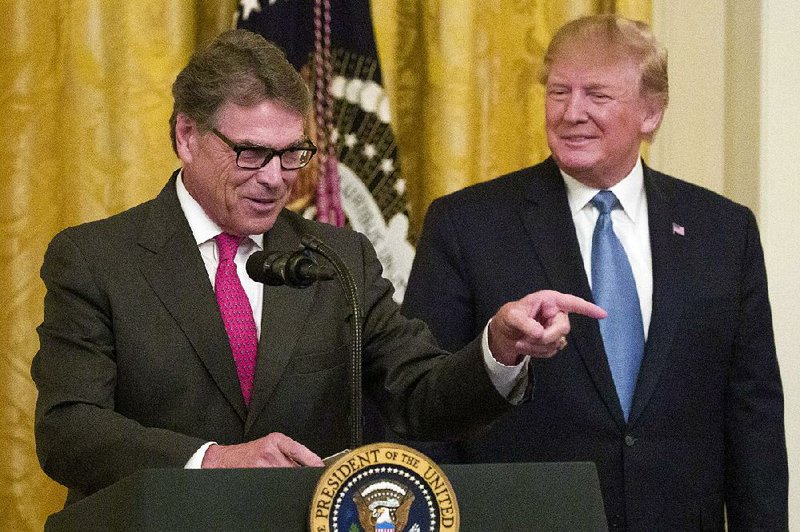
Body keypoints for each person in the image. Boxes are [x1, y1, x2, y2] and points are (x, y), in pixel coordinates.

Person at [30, 29, 604, 505]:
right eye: (251, 153)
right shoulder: (97, 259)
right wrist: (212, 461)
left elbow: (421, 396)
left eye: (292, 154)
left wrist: (498, 349)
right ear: (186, 136)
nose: (276, 177)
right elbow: (69, 429)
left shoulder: (338, 259)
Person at [400, 14, 787, 531]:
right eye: (559, 92)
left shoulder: (723, 231)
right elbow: (422, 404)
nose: (571, 113)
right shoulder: (468, 224)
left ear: (651, 113)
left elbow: (753, 417)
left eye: (597, 96)